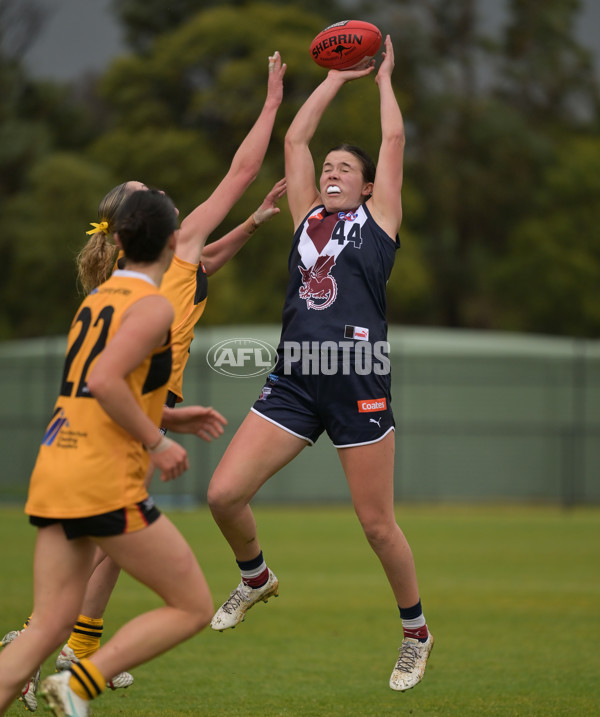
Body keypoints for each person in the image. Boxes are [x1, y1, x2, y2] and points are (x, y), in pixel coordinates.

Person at [1, 50, 287, 712]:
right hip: (117, 430)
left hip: (68, 442)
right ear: (149, 226)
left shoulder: (111, 287)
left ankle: (76, 649)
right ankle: (82, 665)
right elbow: (242, 171)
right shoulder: (160, 279)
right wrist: (272, 102)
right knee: (168, 583)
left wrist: (250, 222)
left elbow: (206, 258)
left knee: (92, 564)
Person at [206, 36, 434, 693]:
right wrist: (335, 77)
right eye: (328, 165)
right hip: (296, 380)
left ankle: (415, 632)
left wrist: (384, 79)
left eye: (344, 168)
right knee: (222, 494)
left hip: (357, 382)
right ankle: (256, 577)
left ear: (365, 186)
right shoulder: (307, 218)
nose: (331, 171)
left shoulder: (379, 219)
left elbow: (392, 144)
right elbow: (294, 143)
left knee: (376, 524)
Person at [0, 189, 215, 717]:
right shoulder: (153, 304)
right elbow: (103, 380)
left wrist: (167, 416)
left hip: (56, 468)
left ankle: (66, 678)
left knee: (48, 625)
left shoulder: (96, 299)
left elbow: (96, 387)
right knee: (192, 606)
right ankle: (78, 683)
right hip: (101, 477)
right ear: (171, 242)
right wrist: (157, 440)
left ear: (117, 241)